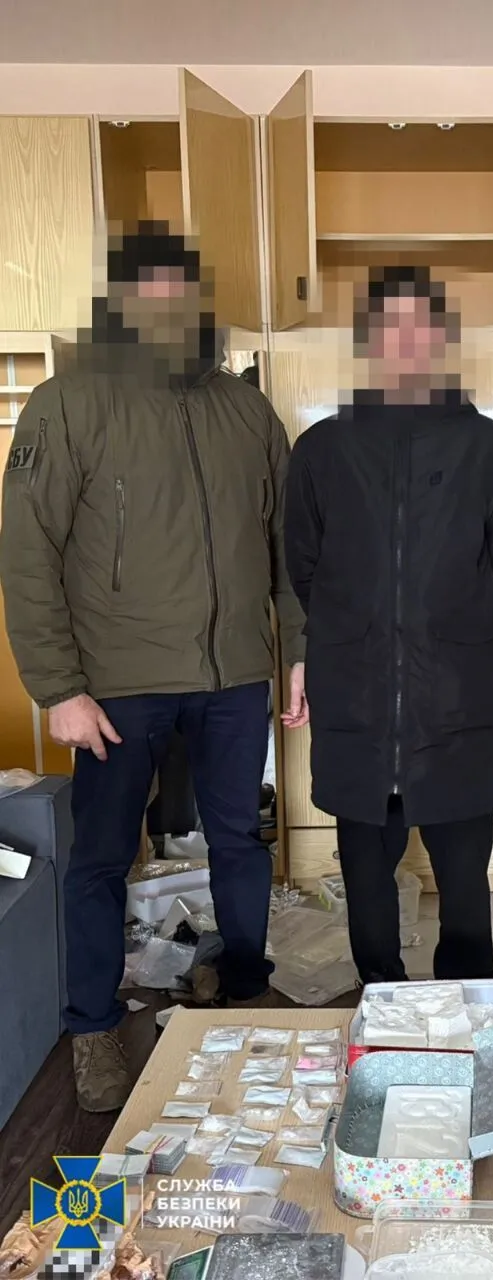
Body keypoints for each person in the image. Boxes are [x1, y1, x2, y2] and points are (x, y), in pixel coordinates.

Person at [0, 224, 306, 1112]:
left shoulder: (245, 409)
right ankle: (93, 1027)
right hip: (115, 683)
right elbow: (28, 553)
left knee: (241, 841)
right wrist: (58, 688)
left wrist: (297, 653)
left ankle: (245, 989)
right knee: (101, 857)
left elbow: (289, 547)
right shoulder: (66, 403)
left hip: (234, 673)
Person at [283, 266, 493, 984]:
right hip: (357, 701)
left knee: (464, 891)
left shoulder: (489, 448)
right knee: (367, 889)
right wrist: (356, 632)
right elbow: (303, 566)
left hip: (455, 701)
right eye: (388, 327)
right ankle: (383, 1009)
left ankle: (466, 1012)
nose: (405, 341)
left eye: (419, 326)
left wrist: (449, 630)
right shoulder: (322, 449)